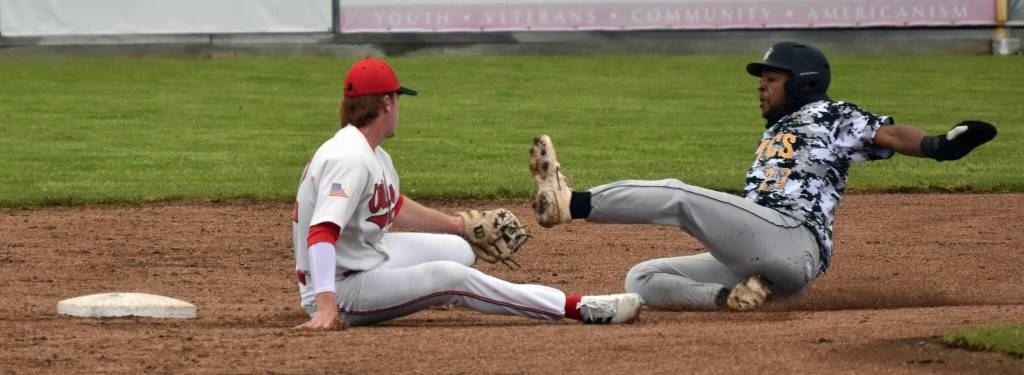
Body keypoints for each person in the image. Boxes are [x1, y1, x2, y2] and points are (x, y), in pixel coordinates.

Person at [529, 41, 997, 311]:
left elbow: (888, 133)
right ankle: (734, 297)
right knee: (643, 277)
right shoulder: (784, 128)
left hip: (793, 239)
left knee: (678, 197)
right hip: (767, 257)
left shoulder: (828, 113)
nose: (761, 85)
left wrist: (937, 146)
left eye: (771, 78)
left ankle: (572, 202)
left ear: (802, 83)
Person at [292, 57, 642, 329]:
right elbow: (321, 233)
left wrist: (459, 225)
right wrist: (326, 307)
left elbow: (392, 206)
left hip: (363, 258)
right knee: (452, 279)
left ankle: (418, 286)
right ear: (385, 102)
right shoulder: (350, 157)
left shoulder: (373, 153)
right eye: (398, 99)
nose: (399, 107)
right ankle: (574, 307)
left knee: (459, 250)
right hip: (341, 288)